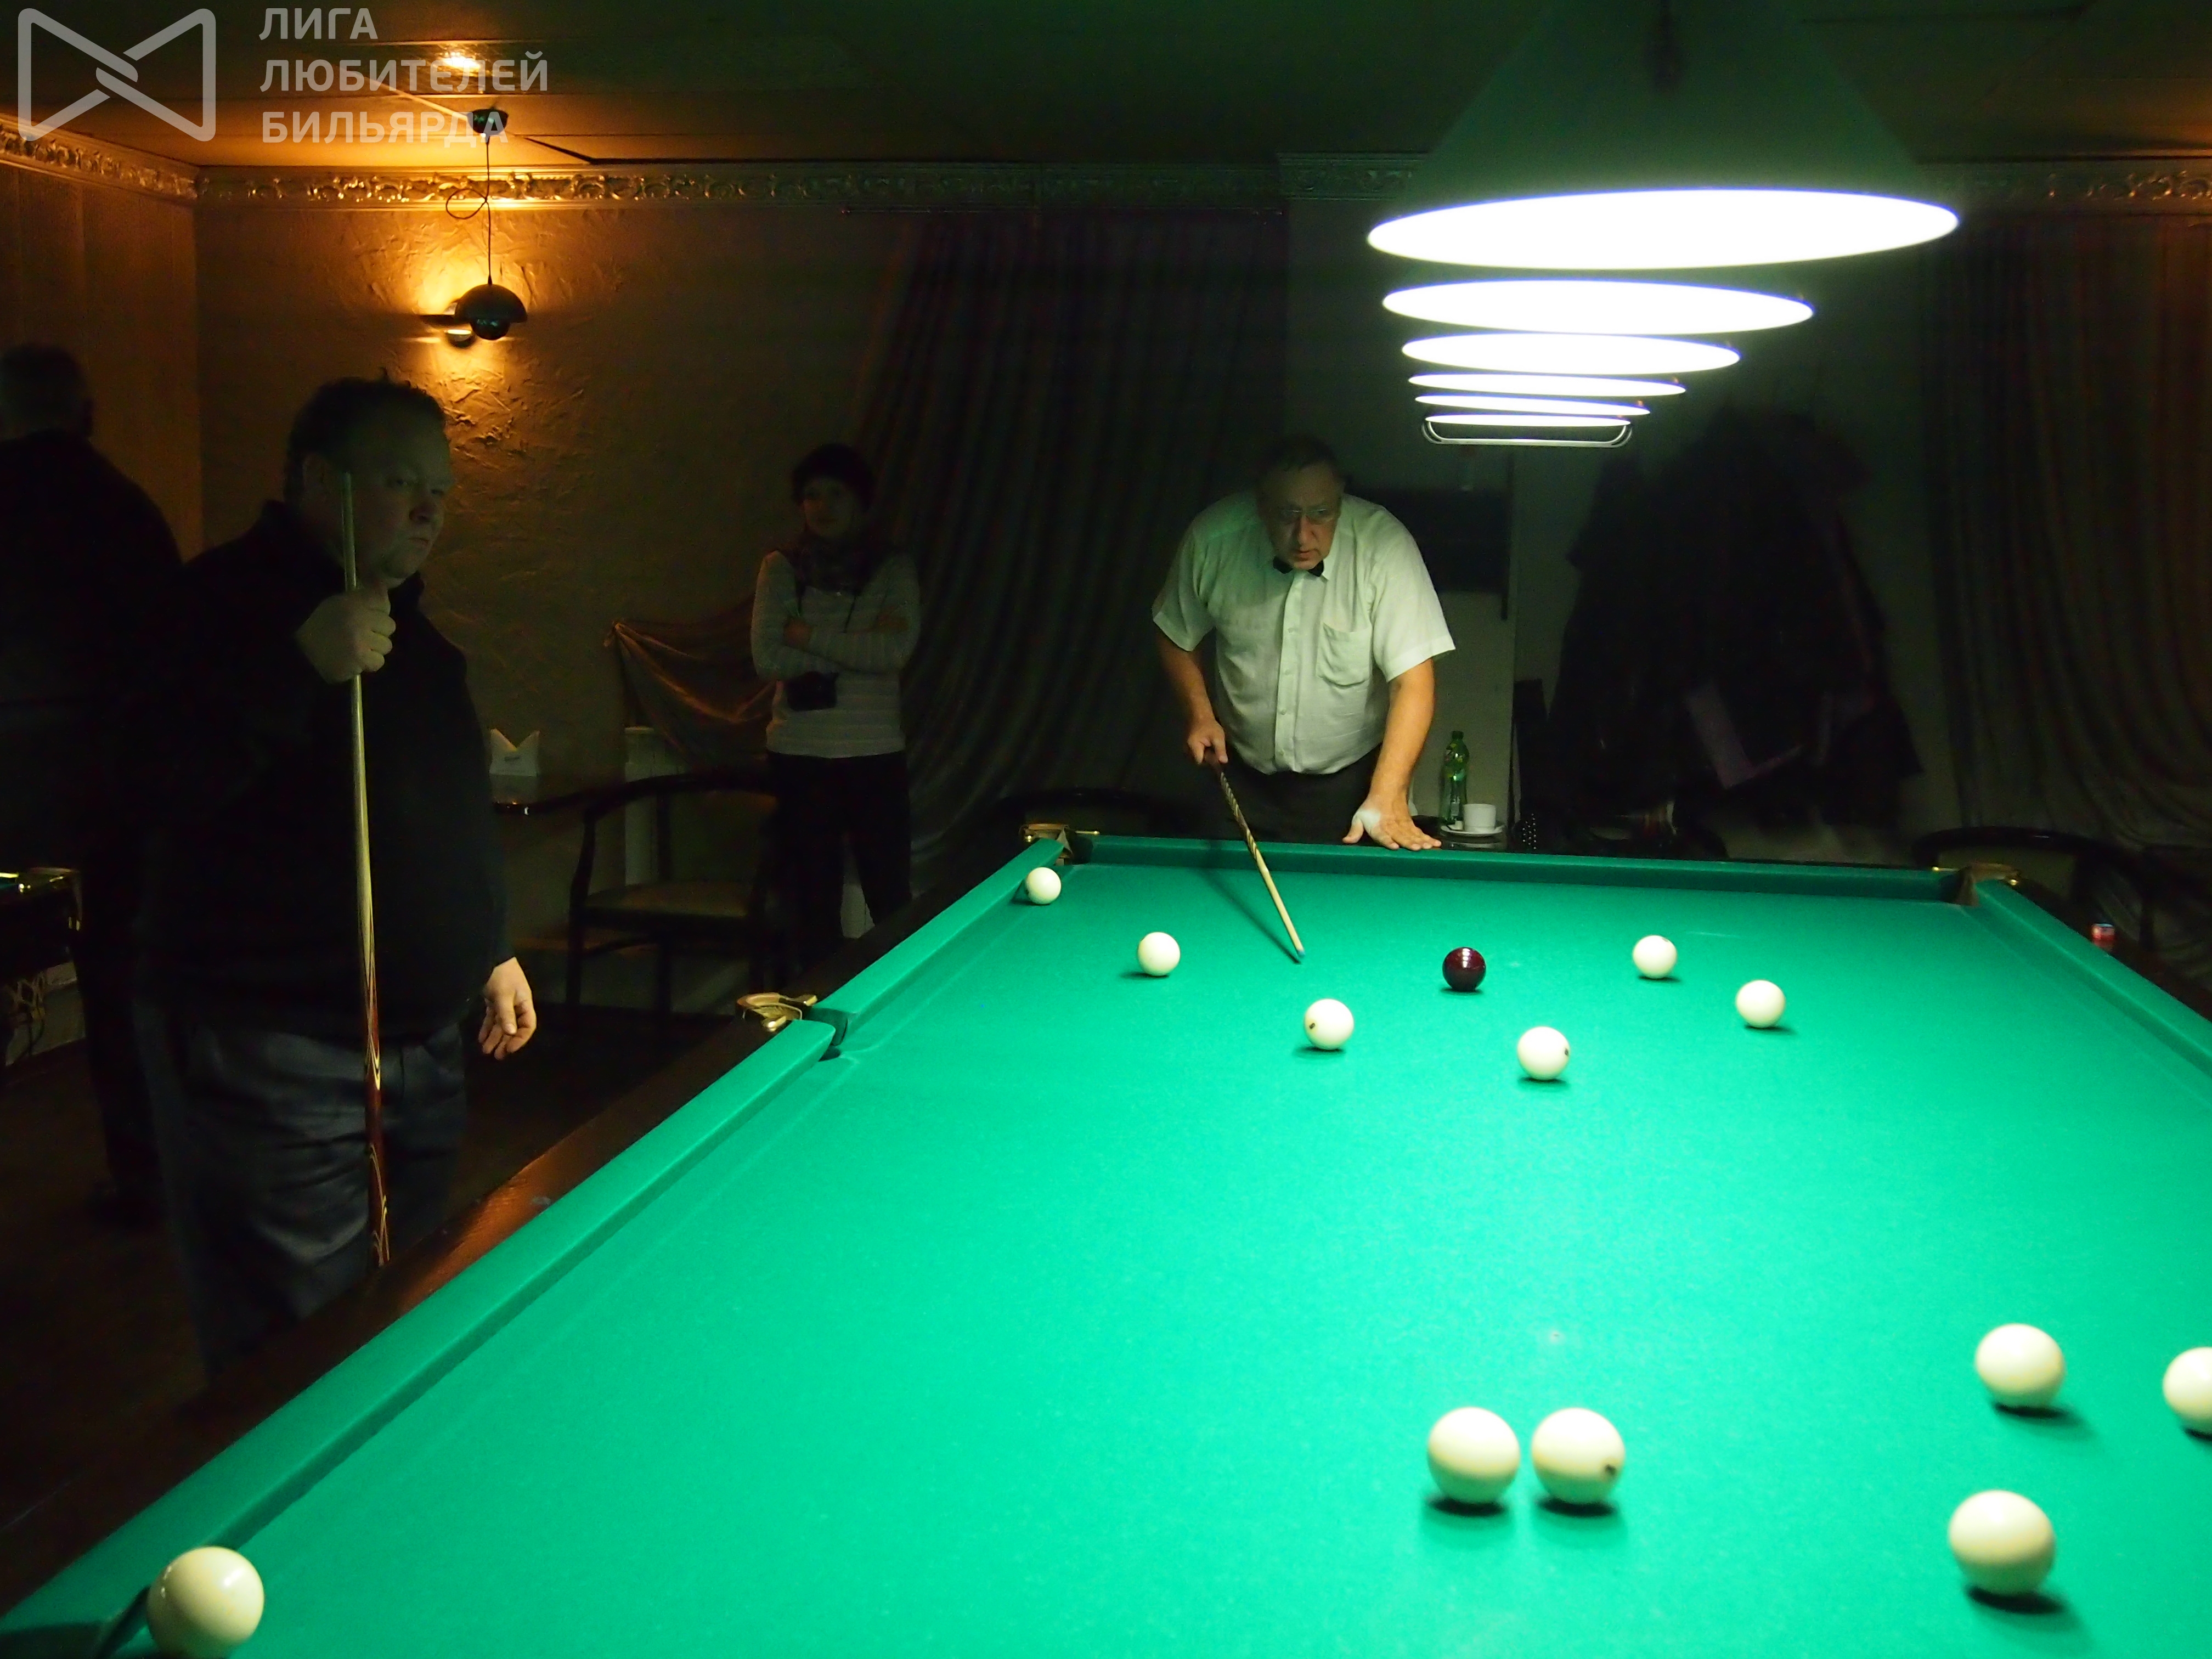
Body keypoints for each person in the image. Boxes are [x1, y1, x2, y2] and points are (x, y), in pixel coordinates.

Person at [133, 374, 535, 1373]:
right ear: (320, 479)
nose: (430, 509)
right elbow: (143, 788)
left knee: (396, 1310)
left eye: (440, 489)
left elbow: (444, 810)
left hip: (420, 1048)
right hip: (278, 1052)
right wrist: (294, 666)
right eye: (401, 482)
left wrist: (489, 945)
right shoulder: (212, 604)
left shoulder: (418, 638)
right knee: (298, 1346)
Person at [0, 345, 182, 1225]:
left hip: (12, 788)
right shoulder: (125, 510)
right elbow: (172, 658)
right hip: (118, 791)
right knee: (122, 994)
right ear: (86, 412)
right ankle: (146, 1173)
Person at [1153, 435, 1454, 847]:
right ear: (1260, 504)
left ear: (1341, 499)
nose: (1303, 535)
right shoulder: (1214, 538)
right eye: (1287, 514)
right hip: (1240, 777)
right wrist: (1200, 714)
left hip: (1350, 783)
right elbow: (1174, 631)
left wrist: (1388, 792)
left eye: (1321, 513)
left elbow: (1413, 682)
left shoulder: (1383, 547)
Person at [749, 443, 919, 971]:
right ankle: (815, 1005)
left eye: (836, 494)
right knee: (811, 899)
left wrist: (806, 635)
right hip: (800, 756)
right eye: (812, 496)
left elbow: (893, 652)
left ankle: (897, 999)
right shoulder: (781, 568)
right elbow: (767, 657)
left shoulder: (892, 568)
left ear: (860, 500)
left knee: (889, 893)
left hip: (874, 753)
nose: (823, 507)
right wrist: (855, 646)